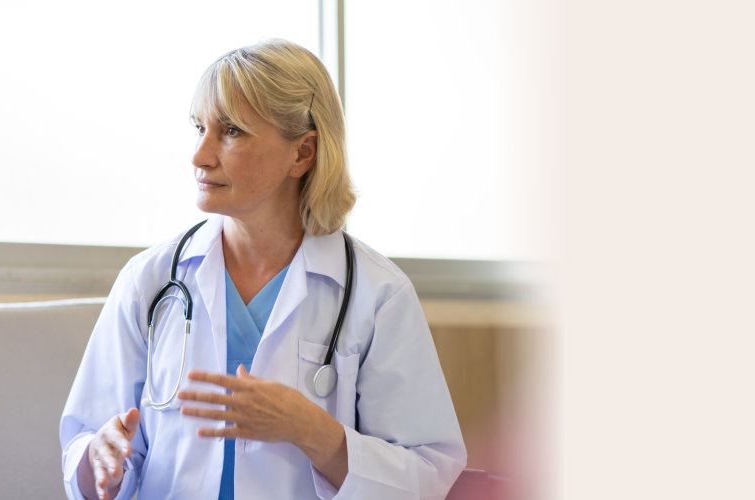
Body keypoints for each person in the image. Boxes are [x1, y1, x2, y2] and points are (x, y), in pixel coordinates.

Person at [57, 39, 465, 499]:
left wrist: (311, 430)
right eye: (200, 128)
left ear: (302, 153)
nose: (200, 155)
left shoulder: (378, 296)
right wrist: (99, 461)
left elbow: (428, 474)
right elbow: (87, 442)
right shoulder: (149, 282)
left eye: (231, 131)